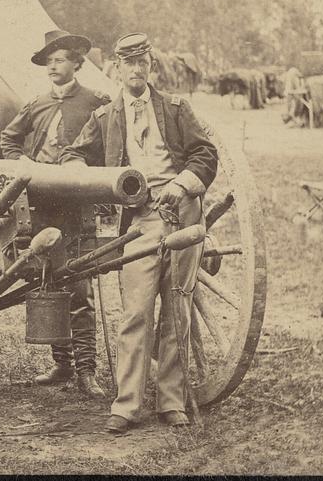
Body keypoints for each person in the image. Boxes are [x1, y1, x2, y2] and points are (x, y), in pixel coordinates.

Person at [60, 33, 218, 434]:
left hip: (183, 214)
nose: (136, 70)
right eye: (128, 64)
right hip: (140, 222)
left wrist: (182, 184)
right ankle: (127, 404)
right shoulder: (105, 118)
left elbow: (205, 154)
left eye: (142, 62)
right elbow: (73, 155)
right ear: (116, 68)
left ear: (151, 65)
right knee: (136, 311)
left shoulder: (176, 109)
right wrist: (87, 179)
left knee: (177, 309)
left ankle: (171, 401)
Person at [0, 29, 110, 399]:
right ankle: (62, 363)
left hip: (78, 206)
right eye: (48, 61)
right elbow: (8, 140)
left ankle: (86, 371)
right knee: (48, 280)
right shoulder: (36, 104)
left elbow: (111, 146)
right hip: (44, 205)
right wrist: (24, 165)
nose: (53, 66)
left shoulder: (97, 102)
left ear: (77, 63)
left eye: (59, 59)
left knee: (79, 286)